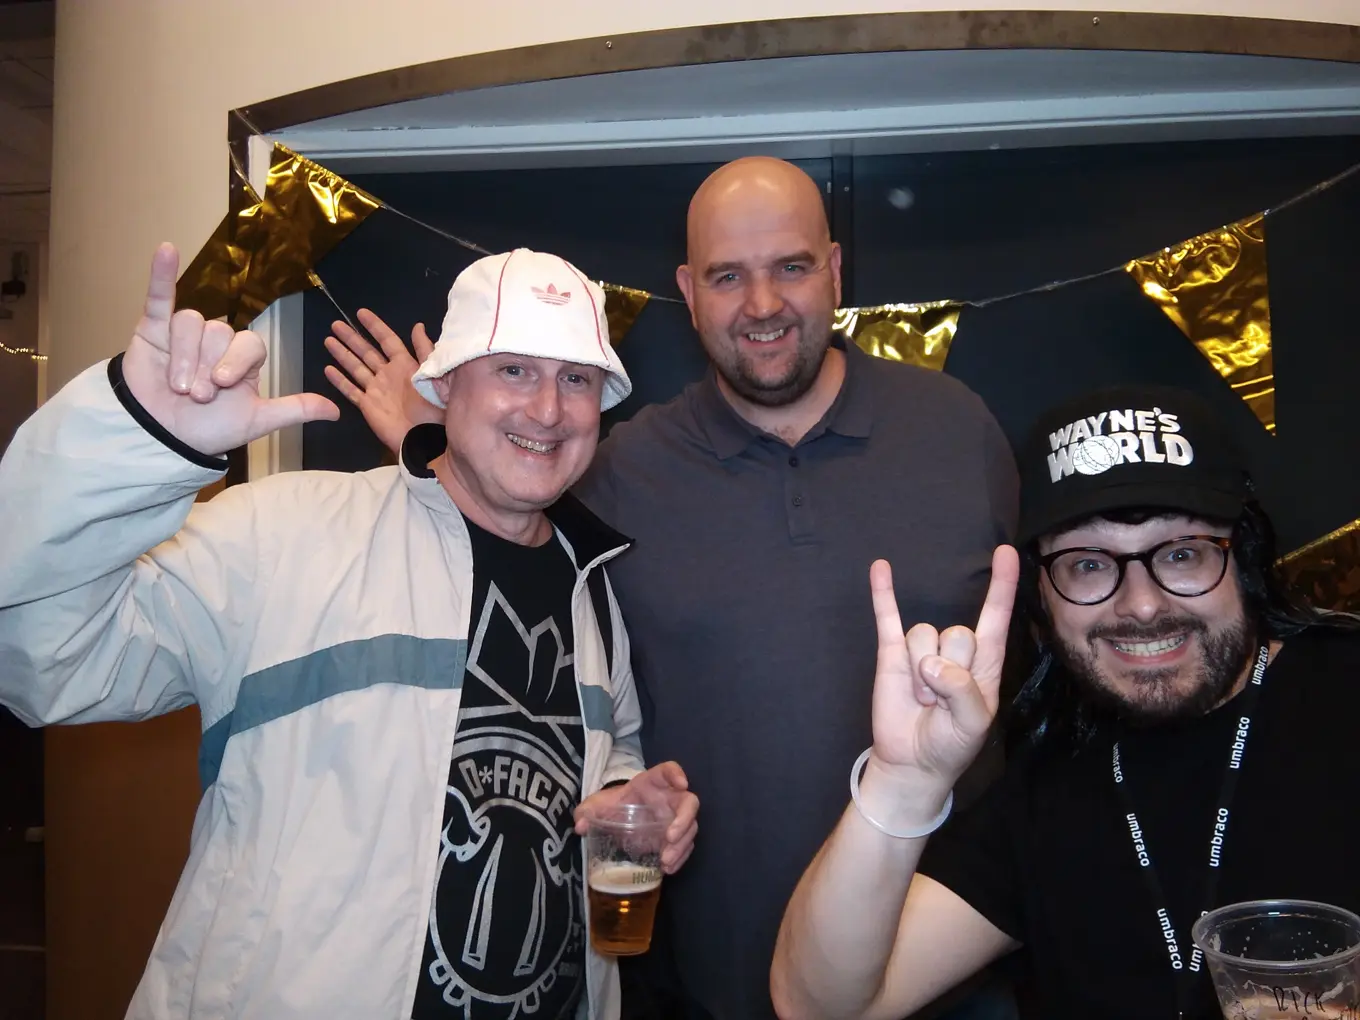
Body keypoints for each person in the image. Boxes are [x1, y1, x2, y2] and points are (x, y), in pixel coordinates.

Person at [325, 156, 1017, 1019]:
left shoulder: (959, 431)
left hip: (944, 981)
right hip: (704, 985)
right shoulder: (618, 475)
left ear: (836, 271)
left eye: (791, 267)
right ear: (688, 292)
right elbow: (498, 544)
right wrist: (443, 445)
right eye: (728, 276)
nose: (761, 305)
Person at [0, 244, 701, 1020]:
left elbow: (605, 752)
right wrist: (135, 445)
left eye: (576, 378)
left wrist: (621, 797)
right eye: (513, 370)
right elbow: (39, 660)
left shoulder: (591, 591)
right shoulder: (284, 535)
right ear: (443, 385)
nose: (547, 409)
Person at [770, 383, 1360, 1020]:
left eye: (1182, 554)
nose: (1140, 604)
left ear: (1242, 561)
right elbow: (820, 1008)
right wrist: (900, 782)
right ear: (1042, 600)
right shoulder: (1048, 774)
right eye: (1087, 565)